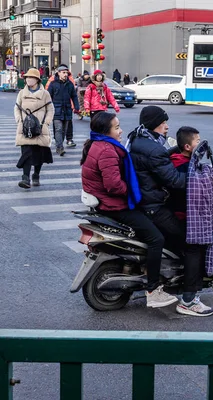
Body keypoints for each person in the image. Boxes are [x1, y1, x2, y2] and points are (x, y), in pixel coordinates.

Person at [81, 112, 177, 309]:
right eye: (116, 127)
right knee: (156, 238)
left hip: (105, 203)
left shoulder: (97, 144)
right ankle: (152, 290)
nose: (121, 130)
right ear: (105, 131)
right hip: (114, 206)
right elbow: (113, 185)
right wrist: (135, 192)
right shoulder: (107, 150)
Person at [126, 106, 208, 313]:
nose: (167, 126)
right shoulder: (154, 149)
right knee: (193, 244)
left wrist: (172, 151)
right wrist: (200, 178)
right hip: (154, 206)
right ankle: (189, 300)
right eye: (164, 123)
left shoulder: (138, 139)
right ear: (155, 124)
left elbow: (157, 163)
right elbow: (174, 180)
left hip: (143, 201)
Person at [169, 126, 212, 316]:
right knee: (195, 249)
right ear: (187, 146)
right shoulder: (186, 168)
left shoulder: (174, 161)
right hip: (184, 216)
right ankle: (188, 299)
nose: (200, 143)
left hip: (173, 213)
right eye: (197, 141)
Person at [14, 68, 54, 189]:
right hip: (25, 127)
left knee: (39, 154)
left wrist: (46, 123)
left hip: (40, 127)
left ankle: (36, 174)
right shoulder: (21, 93)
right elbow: (16, 107)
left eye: (31, 78)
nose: (29, 80)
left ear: (37, 80)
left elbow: (50, 109)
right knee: (26, 152)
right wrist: (19, 120)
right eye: (27, 77)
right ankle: (25, 178)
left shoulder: (45, 94)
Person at [47, 65, 80, 155]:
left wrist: (77, 107)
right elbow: (48, 97)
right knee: (58, 128)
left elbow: (74, 96)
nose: (65, 75)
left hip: (67, 110)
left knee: (64, 130)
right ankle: (60, 147)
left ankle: (59, 142)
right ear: (59, 73)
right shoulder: (53, 84)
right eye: (63, 73)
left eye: (67, 73)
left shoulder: (69, 84)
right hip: (56, 110)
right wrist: (47, 109)